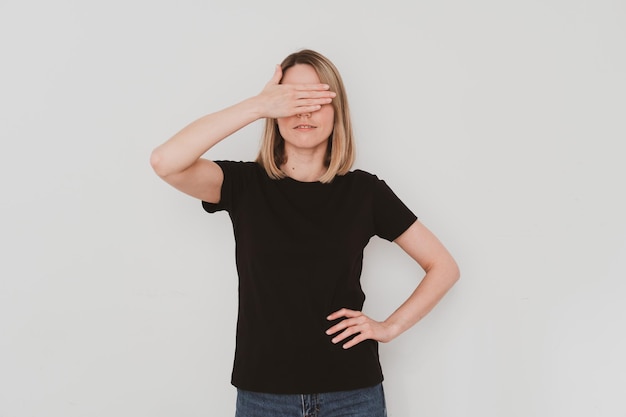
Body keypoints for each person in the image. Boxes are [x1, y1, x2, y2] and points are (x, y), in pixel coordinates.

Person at [150, 49, 460, 417]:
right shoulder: (243, 185)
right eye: (291, 99)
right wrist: (257, 105)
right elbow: (165, 161)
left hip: (353, 394)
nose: (303, 111)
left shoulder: (365, 192)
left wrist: (389, 327)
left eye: (316, 98)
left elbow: (443, 266)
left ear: (337, 111)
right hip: (263, 395)